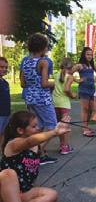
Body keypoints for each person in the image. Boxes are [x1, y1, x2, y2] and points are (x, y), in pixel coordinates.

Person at [0, 111, 71, 202]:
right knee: (8, 174)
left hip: (24, 191)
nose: (37, 128)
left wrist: (57, 128)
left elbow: (39, 140)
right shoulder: (13, 144)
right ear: (20, 130)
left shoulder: (36, 146)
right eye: (33, 127)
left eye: (37, 125)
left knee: (51, 194)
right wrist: (54, 132)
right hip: (5, 190)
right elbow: (29, 141)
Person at [20, 33, 58, 165]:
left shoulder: (25, 61)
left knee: (38, 126)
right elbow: (44, 83)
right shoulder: (43, 62)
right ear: (43, 48)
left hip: (30, 98)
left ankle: (36, 154)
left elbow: (23, 84)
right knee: (53, 127)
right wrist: (56, 83)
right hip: (42, 99)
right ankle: (36, 151)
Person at [72, 47, 96, 137]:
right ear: (84, 55)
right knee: (84, 109)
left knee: (92, 110)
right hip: (83, 90)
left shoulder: (92, 65)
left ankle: (86, 126)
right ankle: (85, 128)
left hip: (92, 90)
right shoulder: (80, 65)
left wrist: (94, 80)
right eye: (88, 54)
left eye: (91, 54)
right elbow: (69, 72)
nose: (90, 56)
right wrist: (77, 80)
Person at [52, 57, 76, 155]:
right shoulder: (70, 77)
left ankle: (62, 145)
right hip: (64, 104)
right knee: (65, 126)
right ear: (71, 67)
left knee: (59, 126)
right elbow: (66, 89)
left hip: (55, 103)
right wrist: (73, 95)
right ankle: (65, 147)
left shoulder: (56, 75)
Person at [0, 57, 10, 146]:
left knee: (3, 133)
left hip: (6, 113)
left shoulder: (5, 82)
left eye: (6, 67)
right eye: (1, 67)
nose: (4, 69)